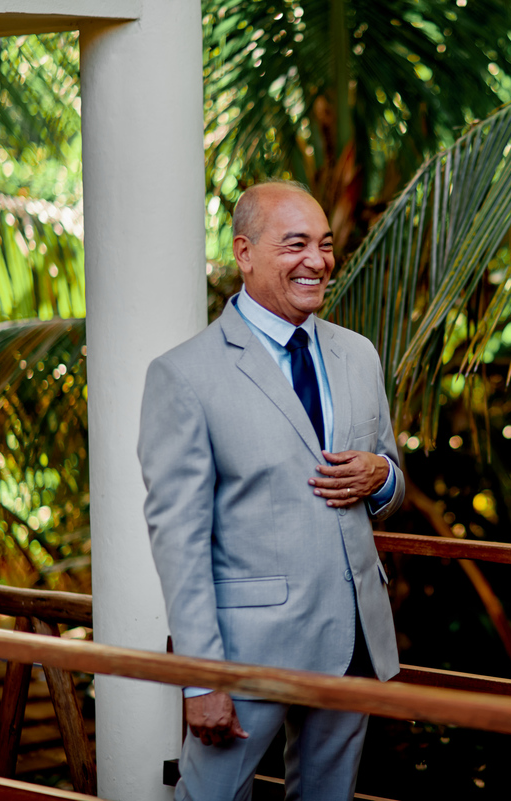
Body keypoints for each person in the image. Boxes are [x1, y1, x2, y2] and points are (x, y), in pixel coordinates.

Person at [138, 180, 404, 801]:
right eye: (295, 244)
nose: (317, 261)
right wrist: (201, 681)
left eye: (325, 244)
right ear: (245, 251)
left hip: (355, 642)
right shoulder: (183, 376)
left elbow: (389, 477)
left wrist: (381, 476)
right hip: (246, 654)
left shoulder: (357, 355)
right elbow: (178, 541)